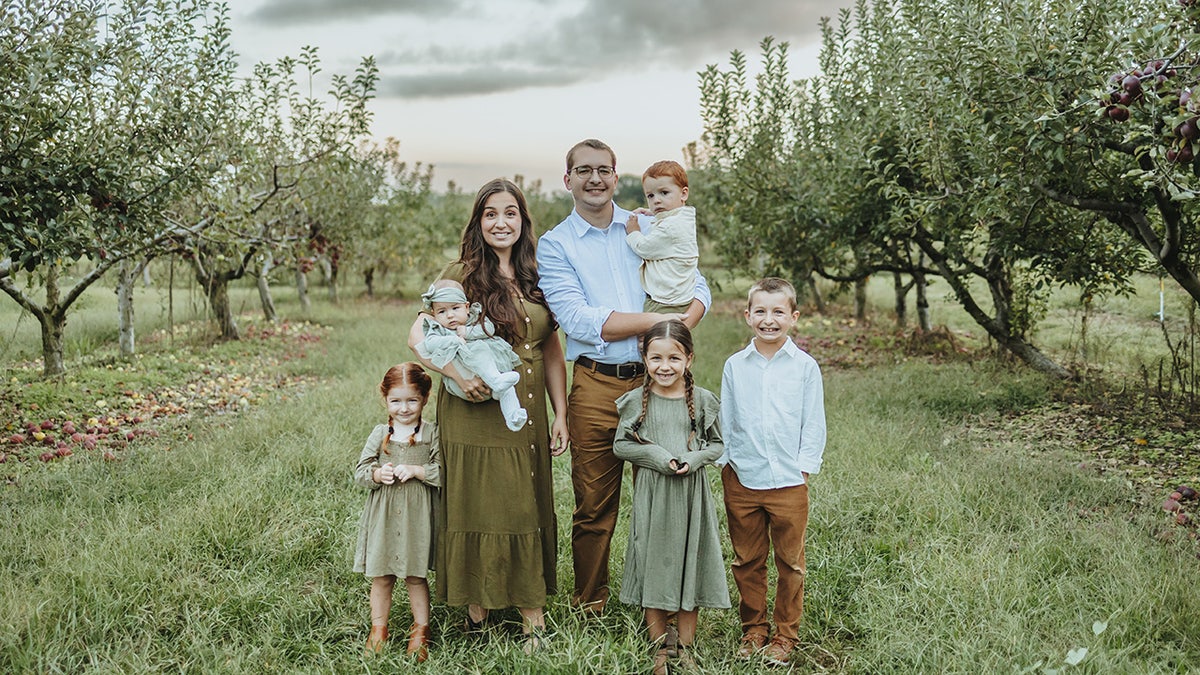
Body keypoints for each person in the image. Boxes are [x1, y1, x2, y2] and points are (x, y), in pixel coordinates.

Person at [537, 139, 711, 616]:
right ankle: (590, 603)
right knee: (594, 505)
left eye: (604, 170)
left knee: (666, 497)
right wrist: (659, 323)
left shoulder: (650, 224)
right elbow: (578, 320)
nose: (595, 178)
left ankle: (662, 603)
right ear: (568, 179)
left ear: (616, 177)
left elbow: (696, 284)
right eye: (584, 170)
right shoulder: (556, 245)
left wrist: (679, 330)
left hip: (660, 383)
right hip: (596, 383)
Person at [408, 178, 569, 653]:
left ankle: (531, 618)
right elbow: (418, 335)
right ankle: (477, 613)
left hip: (526, 408)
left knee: (523, 503)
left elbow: (551, 349)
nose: (501, 222)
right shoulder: (460, 274)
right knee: (477, 502)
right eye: (491, 214)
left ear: (523, 220)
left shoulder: (536, 274)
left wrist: (561, 413)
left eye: (510, 213)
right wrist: (458, 373)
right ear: (478, 222)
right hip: (473, 409)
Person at [718, 277, 826, 668]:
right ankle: (754, 629)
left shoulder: (805, 367)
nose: (769, 319)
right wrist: (727, 463)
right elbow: (727, 417)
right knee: (747, 559)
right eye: (760, 311)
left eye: (778, 311)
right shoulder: (735, 365)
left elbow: (813, 422)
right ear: (748, 316)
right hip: (742, 478)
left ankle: (785, 635)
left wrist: (803, 470)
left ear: (793, 317)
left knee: (790, 563)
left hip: (788, 481)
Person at [613, 320, 729, 674]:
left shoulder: (703, 400)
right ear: (645, 359)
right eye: (656, 358)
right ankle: (660, 649)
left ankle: (685, 647)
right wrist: (657, 456)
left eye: (674, 358)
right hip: (654, 496)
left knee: (690, 561)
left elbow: (717, 445)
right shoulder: (636, 401)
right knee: (655, 562)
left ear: (689, 359)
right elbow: (621, 445)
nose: (665, 366)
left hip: (691, 496)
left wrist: (694, 459)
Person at [353, 362, 440, 662]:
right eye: (396, 401)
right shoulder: (380, 434)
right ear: (386, 399)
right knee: (382, 576)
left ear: (425, 398)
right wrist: (378, 474)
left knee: (415, 576)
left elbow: (444, 471)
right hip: (385, 516)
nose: (404, 408)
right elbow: (361, 471)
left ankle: (421, 631)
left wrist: (418, 470)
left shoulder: (432, 433)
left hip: (417, 517)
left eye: (412, 400)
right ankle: (378, 630)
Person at [416, 278, 528, 432]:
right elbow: (429, 344)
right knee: (479, 349)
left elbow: (489, 329)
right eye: (442, 311)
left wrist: (467, 332)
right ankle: (495, 381)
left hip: (488, 376)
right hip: (463, 381)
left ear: (467, 307)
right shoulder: (437, 329)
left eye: (455, 308)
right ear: (434, 314)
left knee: (507, 387)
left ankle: (513, 416)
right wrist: (453, 340)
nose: (450, 315)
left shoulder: (475, 318)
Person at [623, 160, 698, 314]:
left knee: (648, 328)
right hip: (679, 295)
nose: (656, 200)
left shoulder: (671, 227)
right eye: (650, 196)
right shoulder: (684, 217)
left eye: (664, 193)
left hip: (665, 301)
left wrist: (633, 232)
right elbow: (670, 218)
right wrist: (653, 213)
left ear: (684, 194)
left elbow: (644, 248)